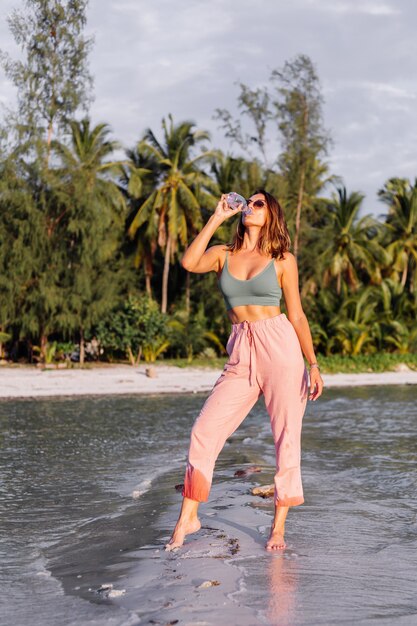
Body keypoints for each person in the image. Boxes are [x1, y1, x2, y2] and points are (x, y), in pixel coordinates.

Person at [165, 190, 324, 552]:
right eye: (247, 203)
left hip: (281, 348)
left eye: (258, 204)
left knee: (286, 439)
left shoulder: (283, 259)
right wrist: (216, 217)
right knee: (204, 431)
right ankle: (188, 518)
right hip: (241, 352)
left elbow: (297, 314)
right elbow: (189, 262)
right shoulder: (223, 254)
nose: (249, 208)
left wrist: (313, 363)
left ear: (271, 215)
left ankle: (278, 528)